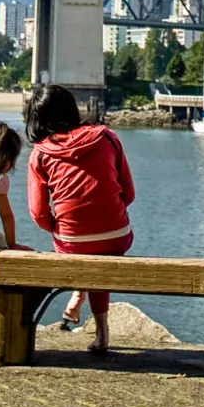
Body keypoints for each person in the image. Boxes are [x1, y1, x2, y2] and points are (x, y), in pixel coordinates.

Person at [25, 84, 136, 355]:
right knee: (100, 255)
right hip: (117, 237)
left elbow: (39, 213)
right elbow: (129, 194)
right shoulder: (107, 137)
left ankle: (79, 294)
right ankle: (101, 331)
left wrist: (60, 227)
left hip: (72, 242)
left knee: (81, 251)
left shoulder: (40, 154)